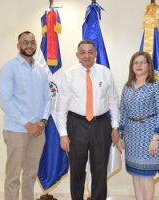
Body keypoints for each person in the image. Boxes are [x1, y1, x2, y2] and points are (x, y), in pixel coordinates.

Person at [56, 40, 120, 200]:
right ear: (77, 55)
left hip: (101, 125)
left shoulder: (105, 72)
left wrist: (115, 127)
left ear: (95, 54)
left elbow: (113, 100)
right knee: (77, 169)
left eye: (90, 52)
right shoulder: (69, 74)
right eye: (83, 52)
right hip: (76, 124)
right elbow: (61, 106)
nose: (87, 55)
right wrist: (63, 133)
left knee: (100, 168)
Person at [0, 31, 51, 200]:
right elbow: (6, 101)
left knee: (30, 175)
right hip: (16, 130)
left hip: (38, 131)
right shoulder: (9, 68)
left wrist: (42, 122)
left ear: (35, 45)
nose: (29, 45)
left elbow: (48, 98)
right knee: (13, 177)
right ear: (18, 45)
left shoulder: (41, 71)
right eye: (25, 42)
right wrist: (27, 124)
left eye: (32, 42)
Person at [117, 51, 159, 200]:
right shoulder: (127, 87)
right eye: (135, 63)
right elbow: (123, 111)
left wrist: (156, 138)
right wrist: (120, 135)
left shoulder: (156, 85)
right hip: (131, 134)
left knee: (146, 175)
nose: (138, 65)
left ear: (148, 66)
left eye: (142, 62)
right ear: (132, 66)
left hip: (150, 134)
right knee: (135, 174)